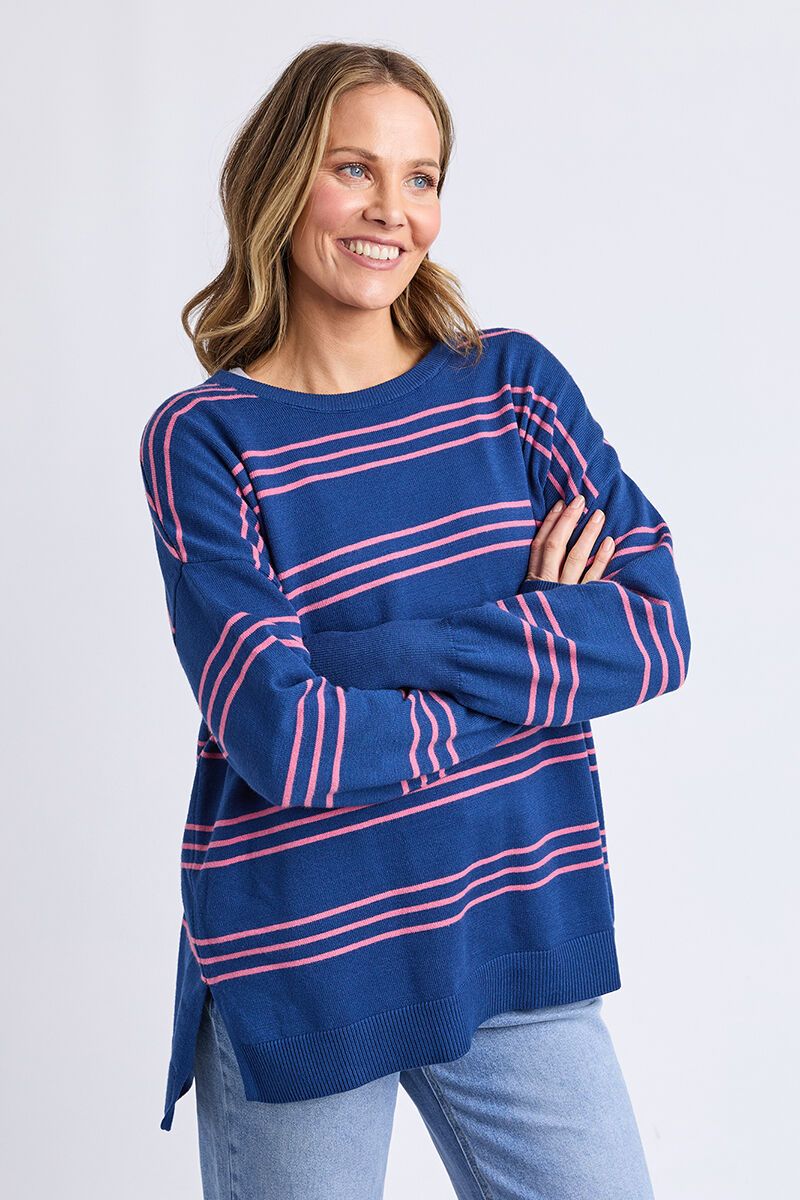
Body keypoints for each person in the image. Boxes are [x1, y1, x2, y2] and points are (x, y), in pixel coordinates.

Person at [138, 40, 690, 1200]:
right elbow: (288, 740)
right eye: (355, 169)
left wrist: (366, 658)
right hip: (306, 962)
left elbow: (650, 634)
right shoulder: (205, 439)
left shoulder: (514, 390)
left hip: (511, 930)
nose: (392, 209)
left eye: (421, 177)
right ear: (282, 183)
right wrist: (533, 647)